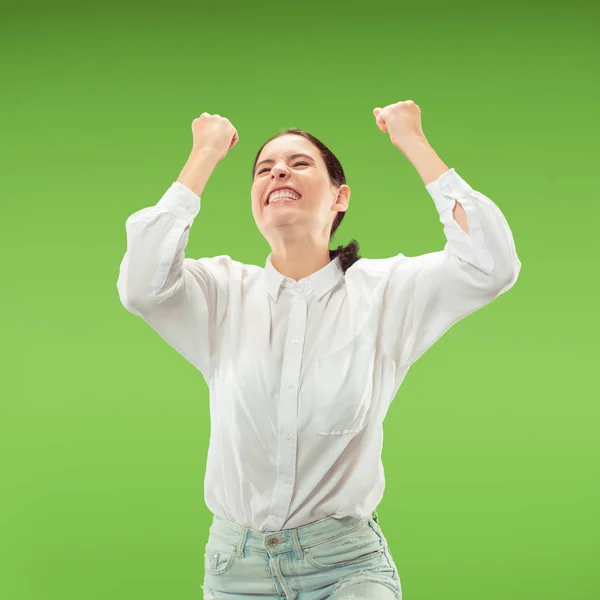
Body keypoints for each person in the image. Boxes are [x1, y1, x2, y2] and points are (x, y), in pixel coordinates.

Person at [117, 101, 521, 599]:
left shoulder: (386, 292)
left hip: (347, 565)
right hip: (234, 568)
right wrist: (204, 154)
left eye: (299, 162)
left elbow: (491, 265)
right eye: (264, 168)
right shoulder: (219, 291)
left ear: (339, 197)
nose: (279, 170)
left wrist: (413, 142)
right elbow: (140, 286)